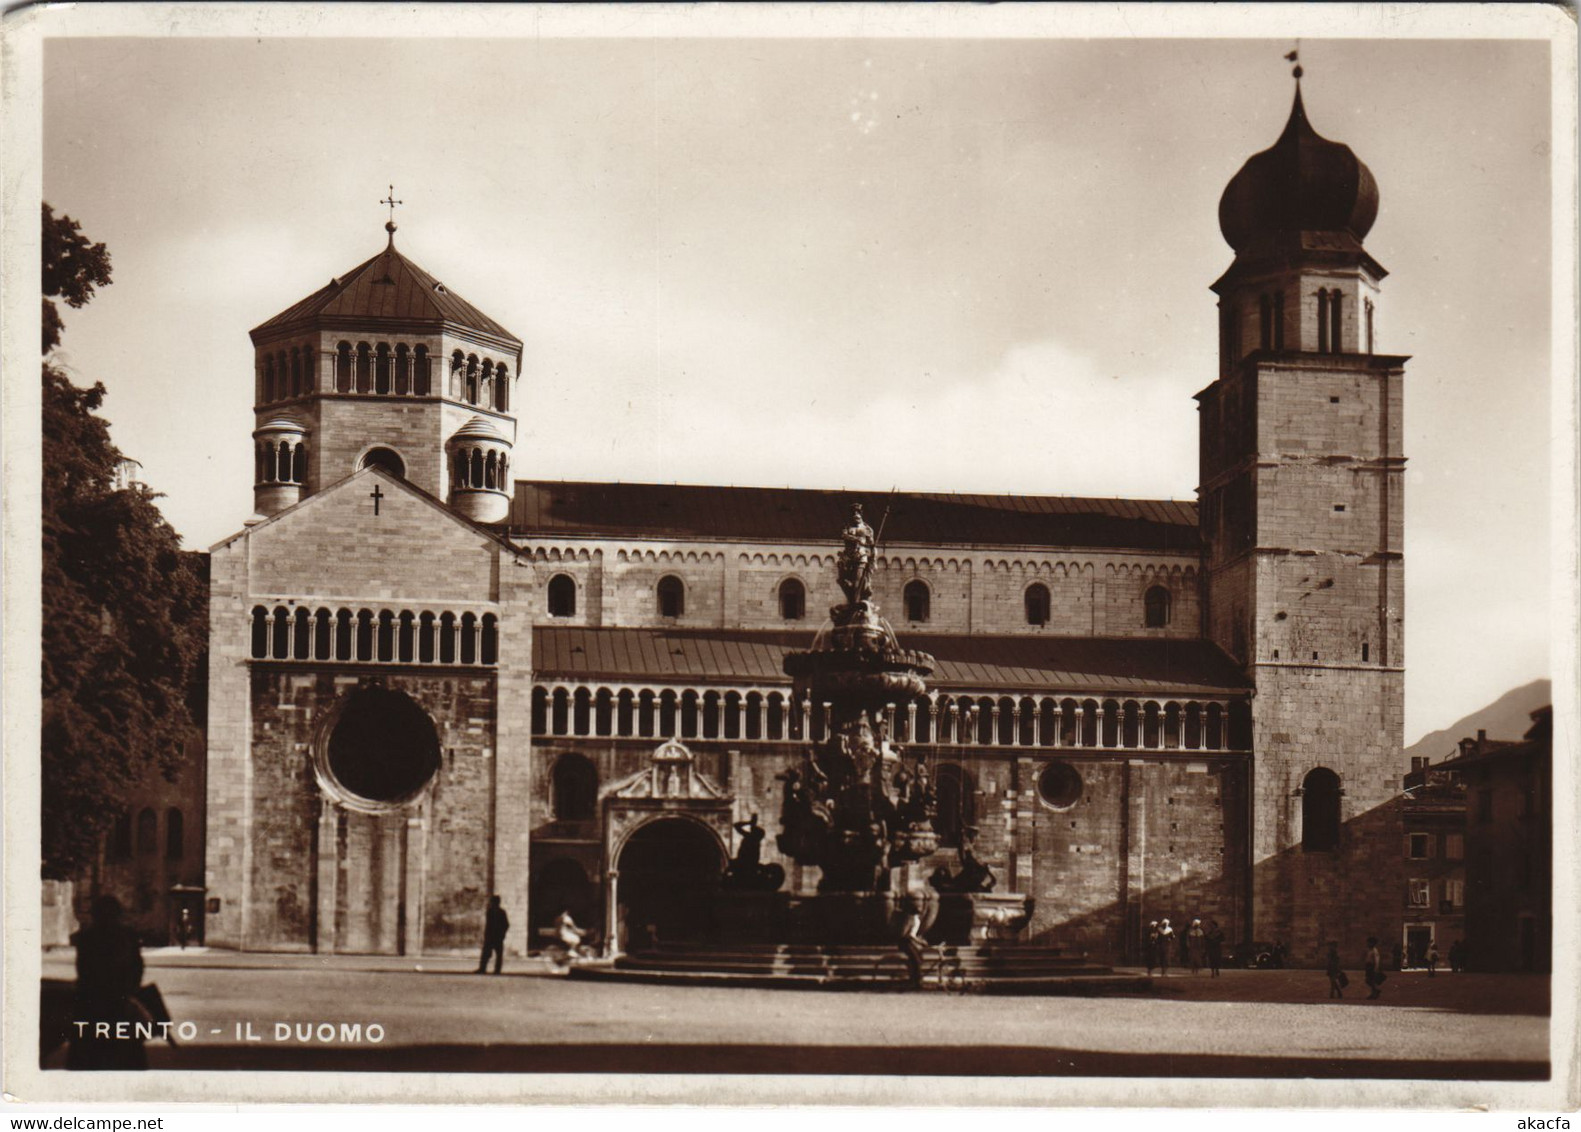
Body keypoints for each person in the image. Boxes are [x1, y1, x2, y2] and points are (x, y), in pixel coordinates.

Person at [67, 895, 148, 1070]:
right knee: (126, 1054)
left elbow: (84, 971)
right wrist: (131, 991)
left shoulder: (87, 938)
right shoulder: (127, 936)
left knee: (89, 1055)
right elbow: (137, 969)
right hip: (119, 1001)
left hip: (92, 1004)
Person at [898, 899, 928, 989]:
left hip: (909, 941)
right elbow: (909, 934)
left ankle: (915, 979)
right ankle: (916, 982)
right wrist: (919, 941)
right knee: (916, 960)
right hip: (905, 942)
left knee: (919, 958)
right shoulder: (911, 918)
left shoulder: (916, 919)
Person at [476, 895, 508, 975]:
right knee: (497, 954)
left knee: (488, 953)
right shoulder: (500, 912)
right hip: (496, 936)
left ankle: (483, 968)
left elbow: (490, 925)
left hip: (492, 936)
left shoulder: (491, 911)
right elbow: (506, 924)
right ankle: (496, 970)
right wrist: (502, 933)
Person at [1364, 936, 1385, 1000]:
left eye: (1369, 943)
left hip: (1372, 966)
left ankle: (1375, 992)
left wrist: (1376, 968)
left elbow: (1376, 960)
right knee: (1369, 980)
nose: (1367, 944)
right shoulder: (1369, 950)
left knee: (1370, 980)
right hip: (1368, 966)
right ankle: (1374, 992)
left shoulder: (1374, 950)